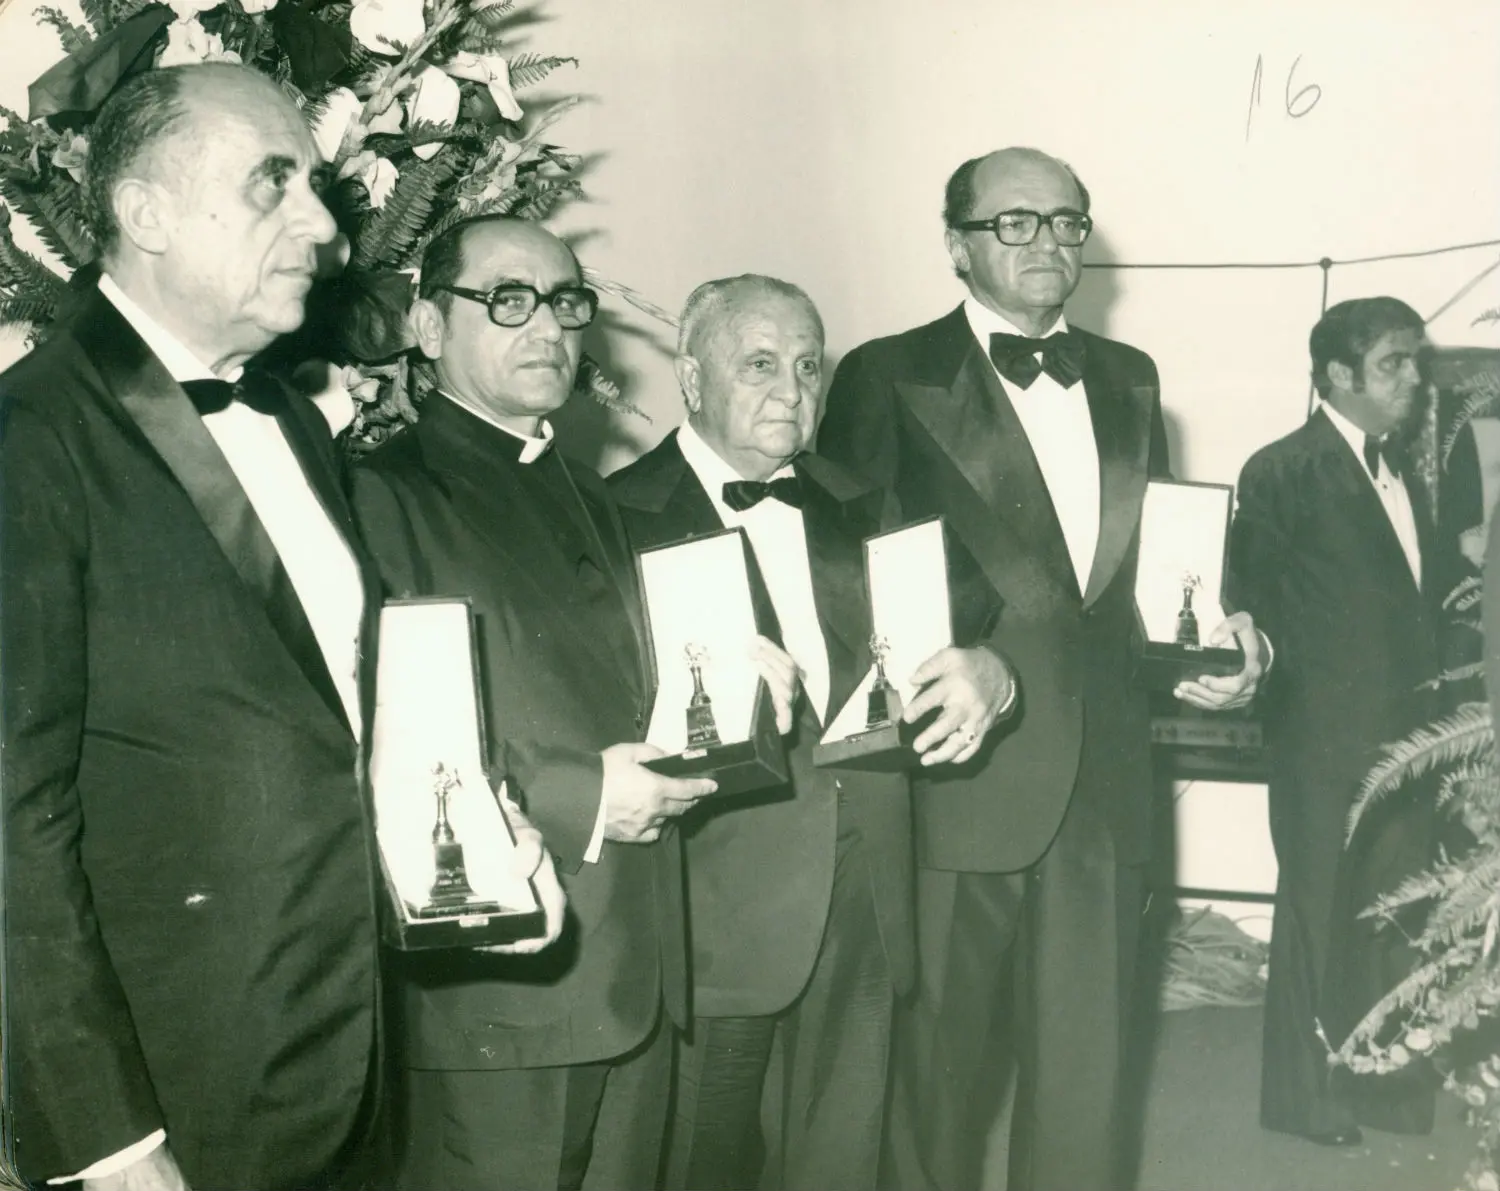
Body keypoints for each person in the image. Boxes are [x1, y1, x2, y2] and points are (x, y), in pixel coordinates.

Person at [0, 64, 563, 1191]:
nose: (324, 227)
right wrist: (105, 1140)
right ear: (145, 213)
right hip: (173, 1105)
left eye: (317, 186)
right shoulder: (31, 438)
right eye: (274, 185)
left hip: (347, 1068)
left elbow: (332, 715)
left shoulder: (292, 420)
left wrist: (472, 863)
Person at [818, 146, 1267, 1191]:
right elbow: (846, 570)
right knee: (933, 1090)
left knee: (1085, 1087)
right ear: (955, 244)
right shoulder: (886, 373)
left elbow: (1147, 574)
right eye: (1013, 221)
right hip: (957, 780)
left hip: (1105, 784)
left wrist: (1223, 635)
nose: (1048, 242)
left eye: (1067, 222)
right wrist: (968, 653)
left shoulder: (1128, 375)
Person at [349, 219, 797, 1191]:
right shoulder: (379, 496)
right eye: (508, 301)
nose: (547, 326)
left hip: (638, 967)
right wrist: (585, 795)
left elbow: (632, 692)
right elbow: (380, 739)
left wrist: (735, 681)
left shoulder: (590, 493)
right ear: (428, 327)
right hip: (501, 986)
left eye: (565, 301)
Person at [613, 275, 1007, 1189]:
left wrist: (993, 670)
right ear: (690, 376)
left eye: (806, 366)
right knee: (699, 1160)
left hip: (862, 884)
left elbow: (968, 628)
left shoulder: (862, 498)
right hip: (711, 910)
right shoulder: (613, 511)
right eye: (759, 365)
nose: (792, 391)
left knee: (842, 1155)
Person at [1228, 297, 1449, 1146]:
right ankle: (1306, 1102)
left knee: (1394, 914)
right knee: (1317, 914)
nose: (1414, 379)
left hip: (1408, 737)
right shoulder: (1281, 467)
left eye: (1414, 360)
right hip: (1322, 740)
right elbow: (1247, 600)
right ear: (1337, 375)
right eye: (1394, 363)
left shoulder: (1401, 469)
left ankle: (1387, 1090)